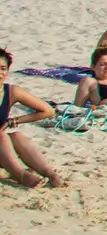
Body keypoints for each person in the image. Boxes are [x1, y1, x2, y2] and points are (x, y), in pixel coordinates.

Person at [0, 48, 67, 188]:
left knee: (17, 136)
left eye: (3, 68)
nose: (0, 73)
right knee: (1, 136)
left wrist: (13, 121)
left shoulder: (11, 92)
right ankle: (21, 175)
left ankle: (49, 173)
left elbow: (47, 111)